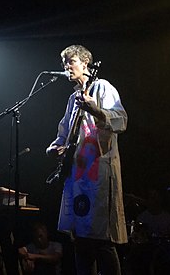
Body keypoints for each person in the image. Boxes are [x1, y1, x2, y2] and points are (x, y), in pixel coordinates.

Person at [46, 44, 128, 275]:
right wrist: (55, 147)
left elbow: (121, 120)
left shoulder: (102, 87)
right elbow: (63, 133)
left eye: (70, 62)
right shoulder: (73, 98)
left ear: (85, 63)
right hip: (77, 174)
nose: (66, 67)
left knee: (101, 238)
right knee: (80, 238)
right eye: (64, 64)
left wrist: (97, 110)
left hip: (99, 174)